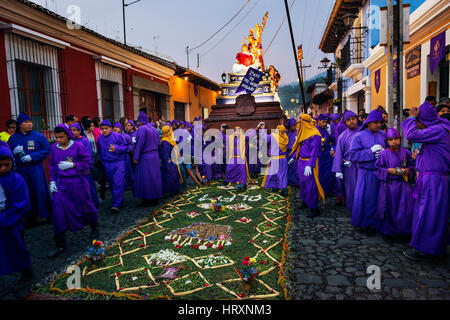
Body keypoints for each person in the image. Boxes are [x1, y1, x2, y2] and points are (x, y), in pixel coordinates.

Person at [401, 102, 449, 261]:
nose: (417, 124)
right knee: (430, 213)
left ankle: (426, 250)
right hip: (433, 178)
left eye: (418, 121)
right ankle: (429, 246)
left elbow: (411, 135)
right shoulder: (440, 127)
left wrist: (411, 118)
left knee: (429, 214)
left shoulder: (438, 130)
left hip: (433, 180)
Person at [47, 125, 99, 258]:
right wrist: (52, 181)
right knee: (58, 213)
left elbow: (88, 162)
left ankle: (94, 226)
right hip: (61, 184)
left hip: (77, 182)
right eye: (56, 137)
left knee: (85, 206)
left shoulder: (78, 146)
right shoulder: (54, 148)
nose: (59, 140)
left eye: (61, 137)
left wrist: (74, 165)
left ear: (68, 135)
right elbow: (52, 165)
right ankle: (60, 243)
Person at [8, 112, 52, 226]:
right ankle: (30, 217)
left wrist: (32, 157)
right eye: (26, 122)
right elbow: (6, 154)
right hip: (21, 170)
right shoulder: (13, 138)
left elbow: (47, 149)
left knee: (40, 191)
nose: (29, 124)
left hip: (35, 168)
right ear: (20, 125)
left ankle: (47, 215)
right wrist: (13, 153)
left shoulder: (38, 136)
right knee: (25, 193)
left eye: (30, 122)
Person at [349, 109, 385, 235]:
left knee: (380, 199)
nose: (379, 125)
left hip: (381, 172)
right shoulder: (359, 136)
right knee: (368, 199)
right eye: (376, 122)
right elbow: (352, 155)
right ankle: (366, 223)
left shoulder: (383, 135)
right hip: (367, 173)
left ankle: (379, 223)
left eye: (381, 122)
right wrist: (370, 152)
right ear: (369, 122)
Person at [375, 128, 415, 243]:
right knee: (389, 209)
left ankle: (406, 231)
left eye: (396, 139)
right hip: (389, 186)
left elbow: (413, 166)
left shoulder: (406, 152)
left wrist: (409, 170)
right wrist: (388, 170)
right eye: (391, 139)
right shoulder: (383, 154)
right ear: (387, 141)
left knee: (406, 209)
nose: (394, 142)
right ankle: (388, 232)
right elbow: (377, 169)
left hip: (404, 186)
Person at [0, 145, 32, 279]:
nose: (3, 169)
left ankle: (25, 269)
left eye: (7, 165)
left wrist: (6, 218)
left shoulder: (16, 179)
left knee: (16, 245)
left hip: (10, 218)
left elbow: (22, 203)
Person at [290, 114, 325, 218]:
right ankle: (305, 201)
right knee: (303, 183)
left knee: (311, 185)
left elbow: (315, 151)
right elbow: (300, 146)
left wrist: (310, 164)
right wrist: (294, 157)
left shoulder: (315, 134)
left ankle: (314, 208)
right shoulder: (303, 132)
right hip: (301, 162)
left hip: (310, 163)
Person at [97, 120, 128, 213]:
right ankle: (119, 200)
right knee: (111, 184)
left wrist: (116, 148)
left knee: (118, 183)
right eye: (102, 129)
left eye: (106, 128)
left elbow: (125, 147)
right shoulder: (99, 139)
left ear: (110, 128)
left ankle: (116, 205)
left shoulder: (117, 136)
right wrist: (102, 161)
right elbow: (99, 151)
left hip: (118, 163)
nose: (104, 130)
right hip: (107, 164)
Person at [332, 110, 360, 213]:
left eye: (353, 119)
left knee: (363, 189)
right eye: (348, 120)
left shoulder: (363, 132)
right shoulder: (342, 136)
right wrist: (338, 169)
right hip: (350, 167)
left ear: (357, 119)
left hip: (363, 165)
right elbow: (339, 153)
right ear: (345, 123)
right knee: (351, 189)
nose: (351, 121)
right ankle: (354, 211)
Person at [133, 111, 163, 206]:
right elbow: (158, 143)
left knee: (145, 178)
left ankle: (147, 199)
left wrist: (136, 157)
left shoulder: (142, 129)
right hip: (154, 155)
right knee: (154, 178)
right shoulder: (154, 128)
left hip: (145, 156)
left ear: (140, 120)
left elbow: (139, 144)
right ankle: (155, 198)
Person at [69, 123, 100, 207]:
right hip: (75, 168)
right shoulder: (70, 142)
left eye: (75, 130)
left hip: (84, 167)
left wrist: (87, 167)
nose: (73, 132)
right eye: (71, 130)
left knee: (89, 186)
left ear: (80, 131)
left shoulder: (85, 141)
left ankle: (94, 202)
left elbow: (89, 155)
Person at [262, 125, 289, 196]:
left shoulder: (273, 136)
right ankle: (283, 189)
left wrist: (262, 129)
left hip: (274, 159)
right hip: (283, 159)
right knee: (282, 175)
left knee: (274, 174)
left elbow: (264, 138)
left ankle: (275, 187)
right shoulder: (285, 137)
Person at [160, 125, 183, 196]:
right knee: (169, 177)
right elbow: (164, 154)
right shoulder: (165, 142)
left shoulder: (170, 139)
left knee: (175, 176)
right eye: (171, 130)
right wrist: (166, 164)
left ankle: (175, 190)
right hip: (169, 162)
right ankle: (168, 192)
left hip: (173, 161)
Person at [316, 114, 335, 195]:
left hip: (327, 155)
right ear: (318, 121)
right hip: (319, 156)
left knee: (329, 173)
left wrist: (332, 149)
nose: (325, 124)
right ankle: (320, 191)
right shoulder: (315, 130)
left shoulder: (326, 130)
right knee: (320, 174)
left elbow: (331, 141)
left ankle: (327, 190)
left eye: (326, 122)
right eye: (323, 121)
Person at [286, 118, 299, 187]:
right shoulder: (286, 132)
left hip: (295, 152)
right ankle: (289, 180)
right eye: (293, 125)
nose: (294, 127)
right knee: (288, 167)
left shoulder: (297, 132)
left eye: (295, 125)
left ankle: (295, 181)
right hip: (287, 152)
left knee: (295, 167)